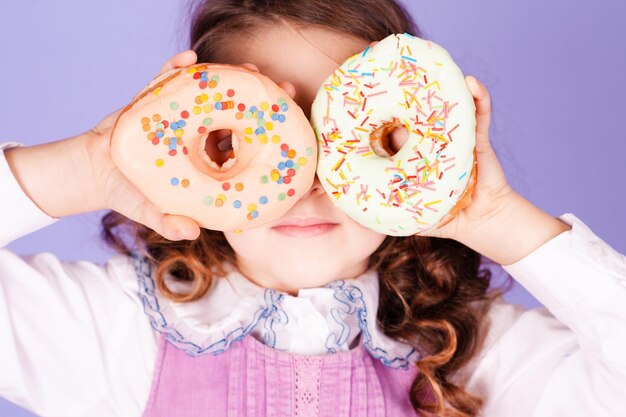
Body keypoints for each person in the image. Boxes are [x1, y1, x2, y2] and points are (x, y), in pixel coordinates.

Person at [1, 0, 625, 416]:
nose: (304, 184)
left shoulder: (474, 352)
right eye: (241, 142)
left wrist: (494, 218)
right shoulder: (113, 331)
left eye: (345, 140)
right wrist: (84, 169)